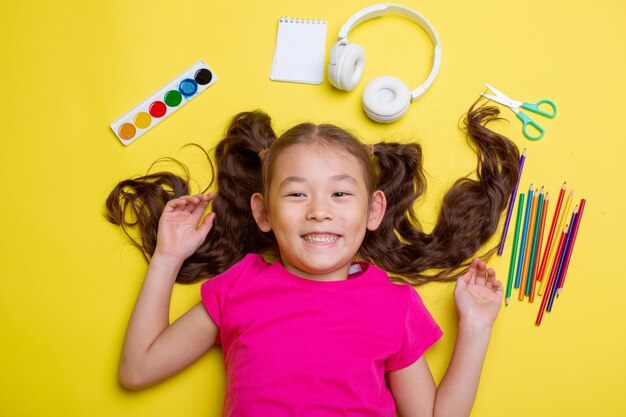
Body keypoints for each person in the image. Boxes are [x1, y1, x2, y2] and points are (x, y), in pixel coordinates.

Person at [106, 101, 520, 416]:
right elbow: (138, 370)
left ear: (373, 210)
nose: (319, 210)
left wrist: (477, 326)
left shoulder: (395, 305)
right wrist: (168, 256)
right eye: (296, 193)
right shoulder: (239, 286)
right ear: (263, 212)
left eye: (340, 193)